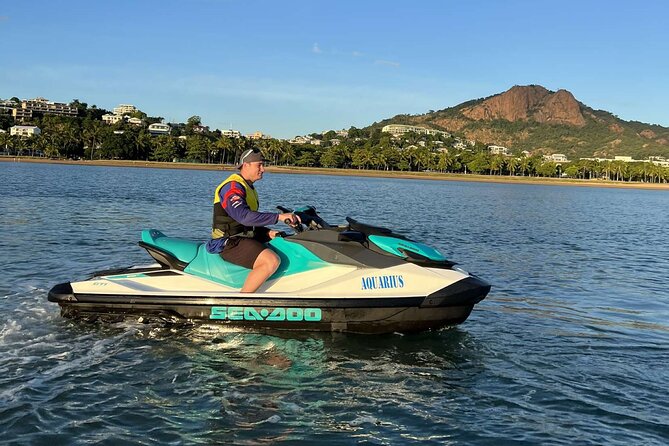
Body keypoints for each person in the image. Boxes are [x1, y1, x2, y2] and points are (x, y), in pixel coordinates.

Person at [206, 147, 300, 293]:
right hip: (227, 242)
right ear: (246, 165)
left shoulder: (248, 187)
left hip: (240, 237)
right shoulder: (232, 187)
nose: (263, 169)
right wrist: (279, 217)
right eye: (259, 165)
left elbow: (244, 223)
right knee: (271, 261)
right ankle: (240, 303)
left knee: (284, 245)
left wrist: (267, 233)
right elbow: (243, 217)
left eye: (263, 165)